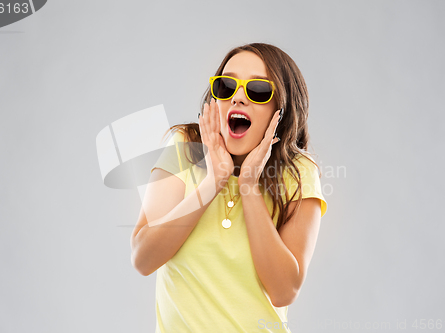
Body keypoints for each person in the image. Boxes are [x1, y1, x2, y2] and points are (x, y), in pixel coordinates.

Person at [130, 43, 328, 333]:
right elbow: (143, 258)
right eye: (226, 86)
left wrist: (248, 186)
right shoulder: (185, 146)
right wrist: (213, 182)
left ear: (280, 111)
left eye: (258, 91)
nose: (237, 98)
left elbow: (284, 290)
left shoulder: (298, 174)